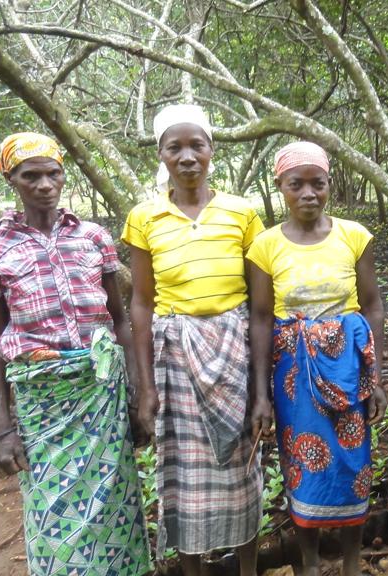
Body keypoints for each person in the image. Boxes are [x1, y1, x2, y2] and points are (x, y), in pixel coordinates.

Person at [0, 132, 151, 576]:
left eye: (54, 173)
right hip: (42, 399)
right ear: (11, 179)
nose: (45, 184)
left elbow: (120, 320)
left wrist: (134, 395)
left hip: (101, 394)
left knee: (115, 503)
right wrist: (2, 429)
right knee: (53, 507)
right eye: (32, 176)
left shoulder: (93, 237)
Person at [121, 104, 265, 576]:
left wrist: (263, 388)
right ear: (161, 155)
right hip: (176, 355)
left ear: (212, 150)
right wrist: (145, 387)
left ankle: (246, 568)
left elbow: (261, 302)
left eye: (196, 145)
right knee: (181, 476)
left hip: (235, 351)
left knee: (242, 467)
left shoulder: (242, 213)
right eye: (174, 147)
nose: (187, 157)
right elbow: (141, 302)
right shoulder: (145, 217)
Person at [247, 141, 388, 576]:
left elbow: (373, 305)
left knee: (352, 462)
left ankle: (351, 563)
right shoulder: (265, 246)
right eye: (297, 184)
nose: (309, 193)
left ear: (329, 185)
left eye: (318, 183)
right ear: (281, 188)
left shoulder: (354, 236)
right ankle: (308, 563)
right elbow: (260, 317)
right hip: (295, 374)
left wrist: (376, 375)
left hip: (348, 366)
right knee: (302, 466)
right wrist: (261, 395)